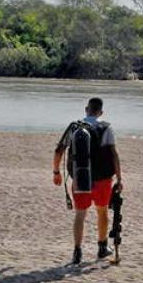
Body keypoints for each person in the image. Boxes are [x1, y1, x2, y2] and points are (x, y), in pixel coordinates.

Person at [53, 98, 123, 265]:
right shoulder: (106, 128)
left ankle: (77, 252)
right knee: (102, 212)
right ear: (101, 112)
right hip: (102, 180)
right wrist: (119, 178)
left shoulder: (74, 127)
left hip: (80, 178)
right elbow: (114, 154)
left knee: (80, 214)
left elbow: (59, 150)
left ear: (86, 109)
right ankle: (102, 247)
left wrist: (56, 172)